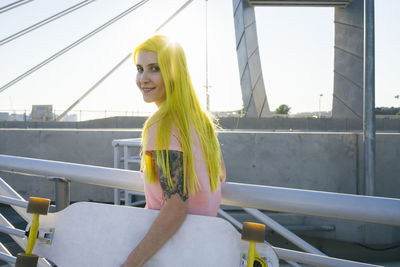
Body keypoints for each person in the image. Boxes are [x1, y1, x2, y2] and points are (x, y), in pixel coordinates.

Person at [121, 35, 226, 267]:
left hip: (169, 251)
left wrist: (130, 264)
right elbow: (220, 175)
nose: (143, 79)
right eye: (139, 69)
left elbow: (176, 206)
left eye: (154, 69)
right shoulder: (201, 122)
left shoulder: (162, 123)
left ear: (173, 72)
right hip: (201, 249)